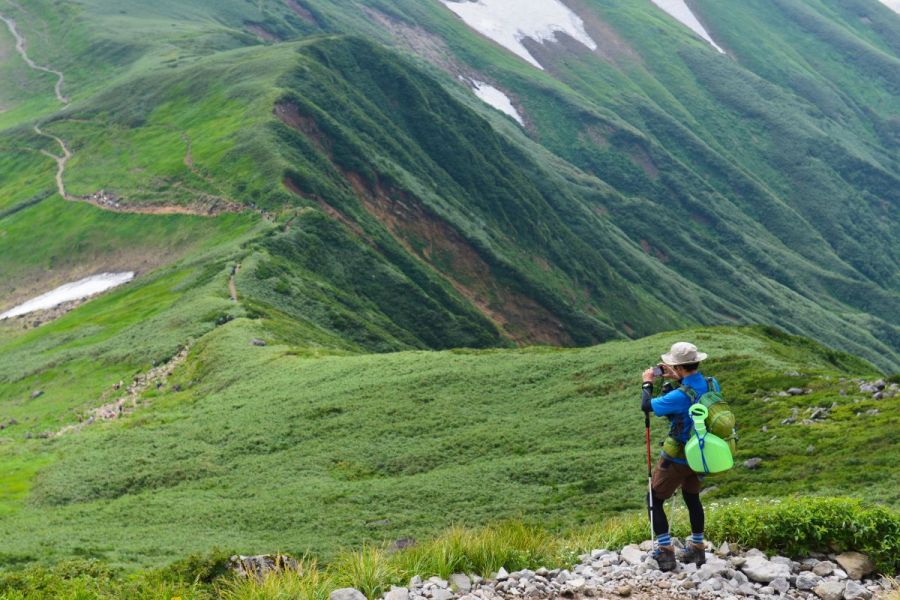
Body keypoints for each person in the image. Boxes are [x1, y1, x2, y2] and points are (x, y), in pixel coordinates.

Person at [640, 341, 718, 571]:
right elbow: (694, 400)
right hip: (702, 453)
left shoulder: (679, 396)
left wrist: (647, 381)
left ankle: (665, 552)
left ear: (680, 367)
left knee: (653, 499)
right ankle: (697, 548)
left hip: (678, 456)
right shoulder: (712, 383)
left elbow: (647, 406)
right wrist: (678, 377)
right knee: (692, 498)